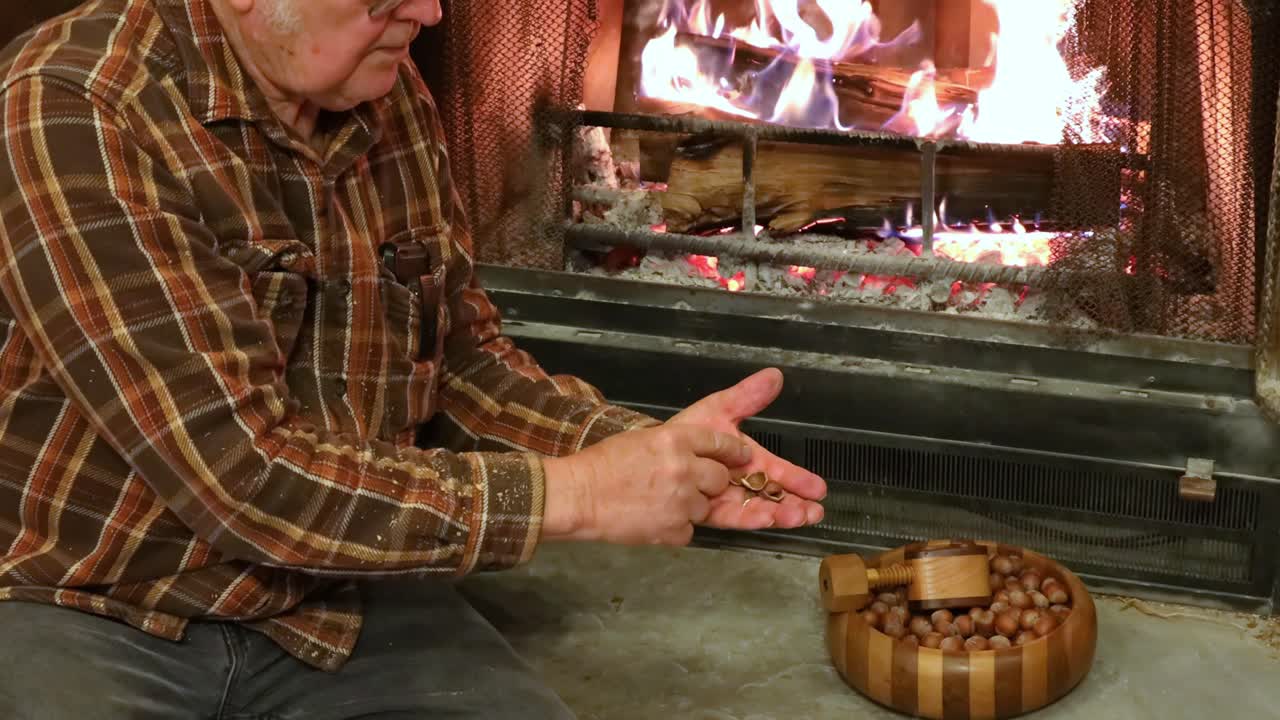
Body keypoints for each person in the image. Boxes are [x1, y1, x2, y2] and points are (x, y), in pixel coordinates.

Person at [0, 0, 827, 717]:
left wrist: (638, 454)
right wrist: (575, 495)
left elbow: (460, 360)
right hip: (95, 603)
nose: (431, 13)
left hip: (340, 597)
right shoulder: (77, 107)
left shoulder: (381, 92)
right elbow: (239, 475)